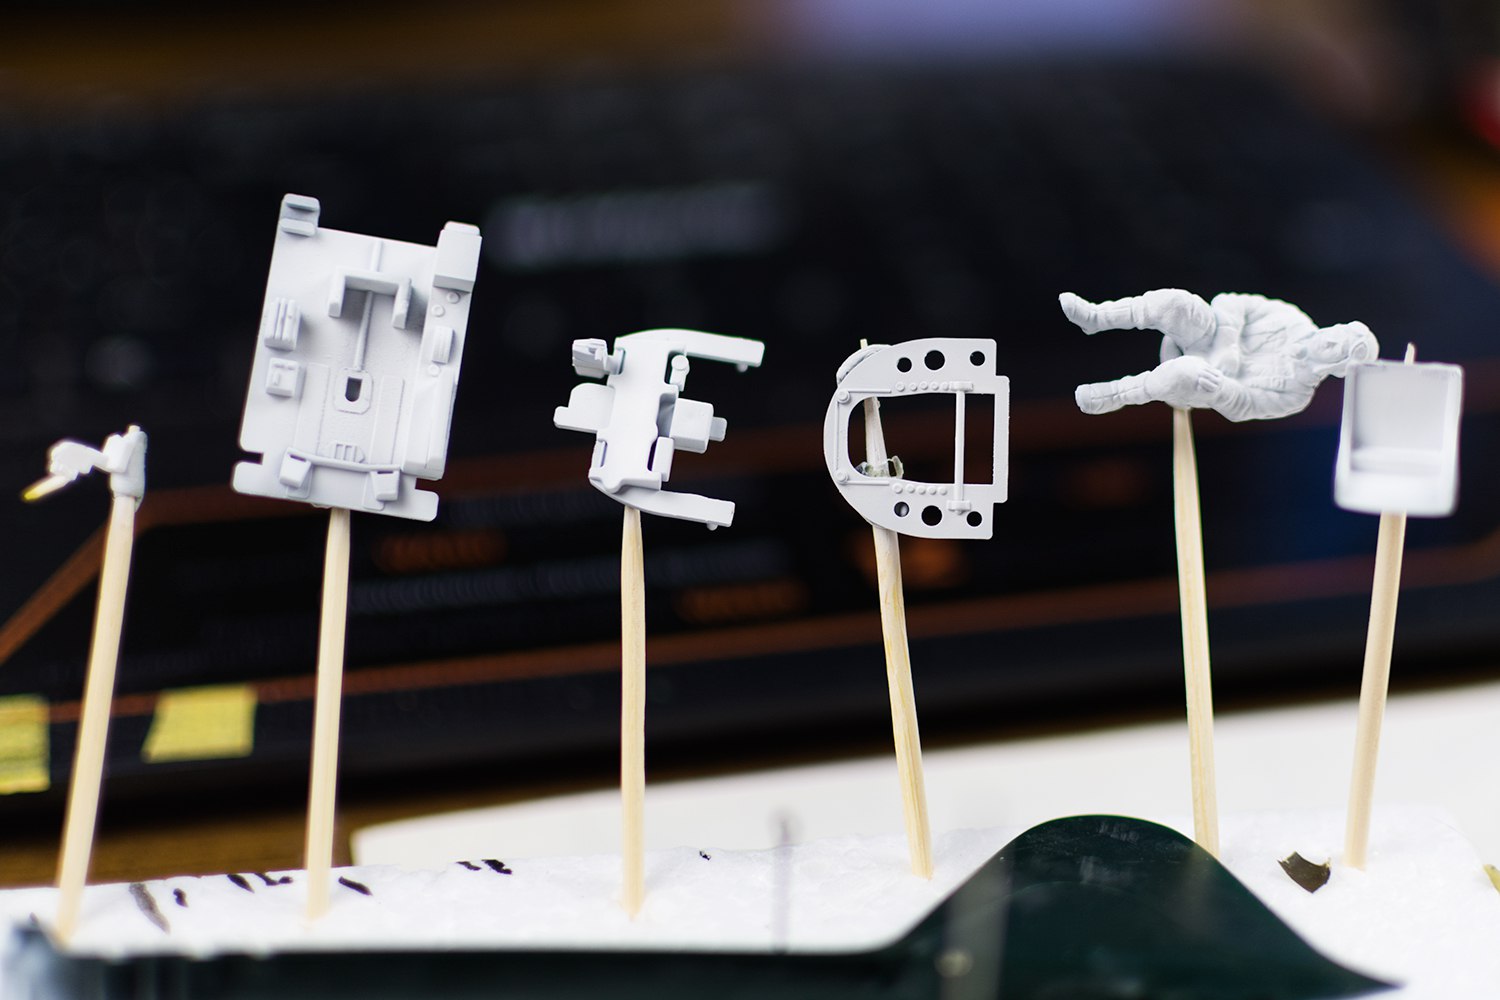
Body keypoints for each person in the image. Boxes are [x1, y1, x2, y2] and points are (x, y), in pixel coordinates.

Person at [1060, 289, 1379, 421]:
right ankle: (1097, 317)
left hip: (1205, 382)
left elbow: (1244, 407)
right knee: (1178, 303)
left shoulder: (1296, 395)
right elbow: (1232, 301)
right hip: (1209, 335)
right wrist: (1228, 343)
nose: (1332, 338)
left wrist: (1221, 389)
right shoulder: (1290, 317)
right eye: (1340, 331)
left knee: (1186, 372)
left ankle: (1112, 394)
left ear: (1339, 367)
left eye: (1341, 347)